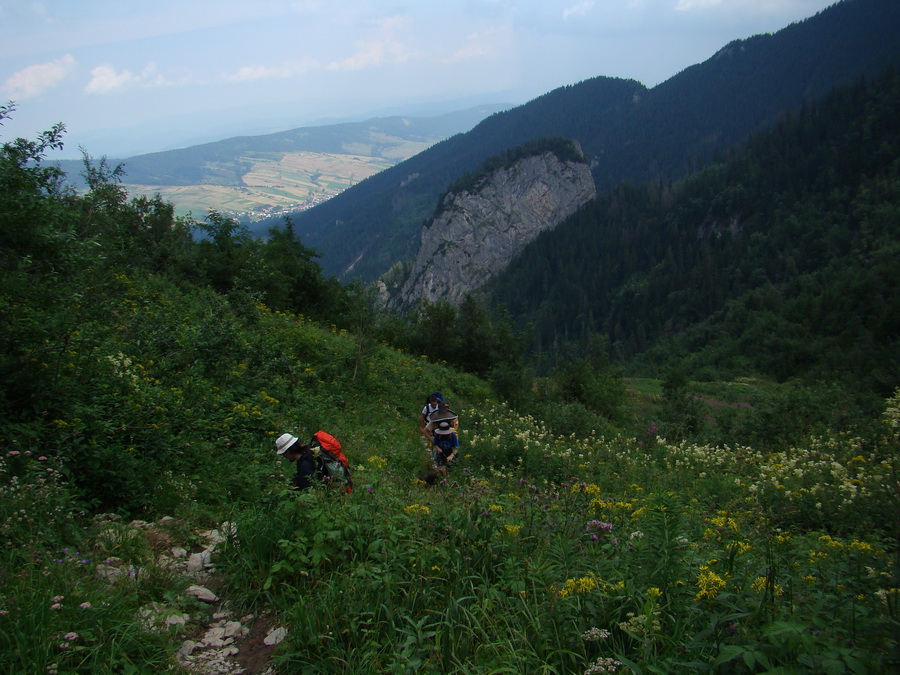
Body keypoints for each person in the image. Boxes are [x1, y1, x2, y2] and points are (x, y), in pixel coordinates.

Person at [422, 420, 459, 485]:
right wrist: (438, 448)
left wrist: (451, 455)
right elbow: (435, 443)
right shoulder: (438, 435)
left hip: (450, 453)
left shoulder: (452, 435)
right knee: (440, 467)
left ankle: (450, 482)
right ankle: (439, 482)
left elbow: (456, 447)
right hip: (441, 454)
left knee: (451, 468)